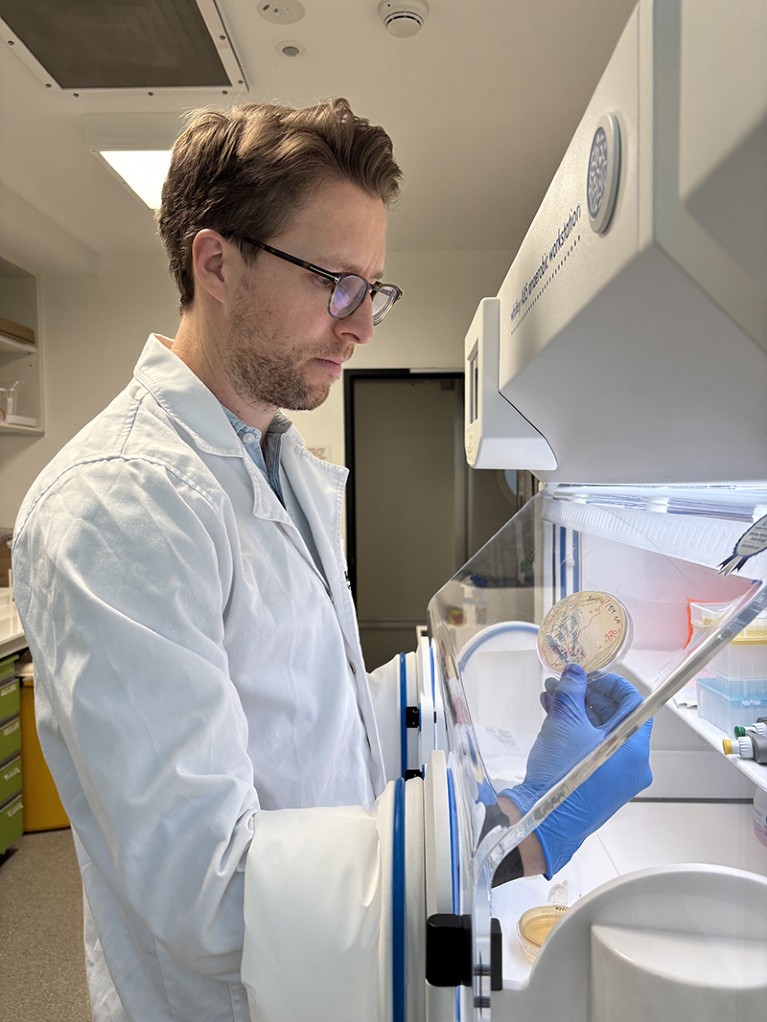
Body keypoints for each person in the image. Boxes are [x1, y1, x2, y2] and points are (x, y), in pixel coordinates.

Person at [11, 98, 652, 1022]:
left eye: (375, 290)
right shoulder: (121, 508)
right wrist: (514, 835)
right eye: (334, 282)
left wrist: (459, 683)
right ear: (216, 262)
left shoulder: (275, 460)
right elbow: (212, 898)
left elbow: (296, 694)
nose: (360, 325)